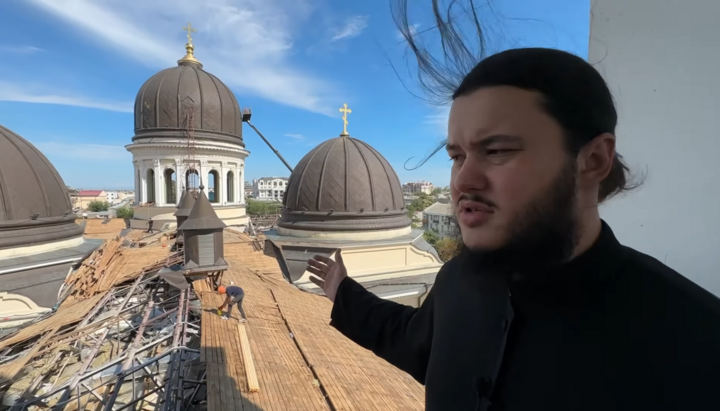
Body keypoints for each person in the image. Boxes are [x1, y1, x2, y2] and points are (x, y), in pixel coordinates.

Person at [306, 3, 720, 410]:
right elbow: (415, 341)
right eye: (456, 156)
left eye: (498, 149)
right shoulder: (458, 280)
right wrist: (342, 290)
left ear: (593, 160)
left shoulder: (697, 341)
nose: (463, 181)